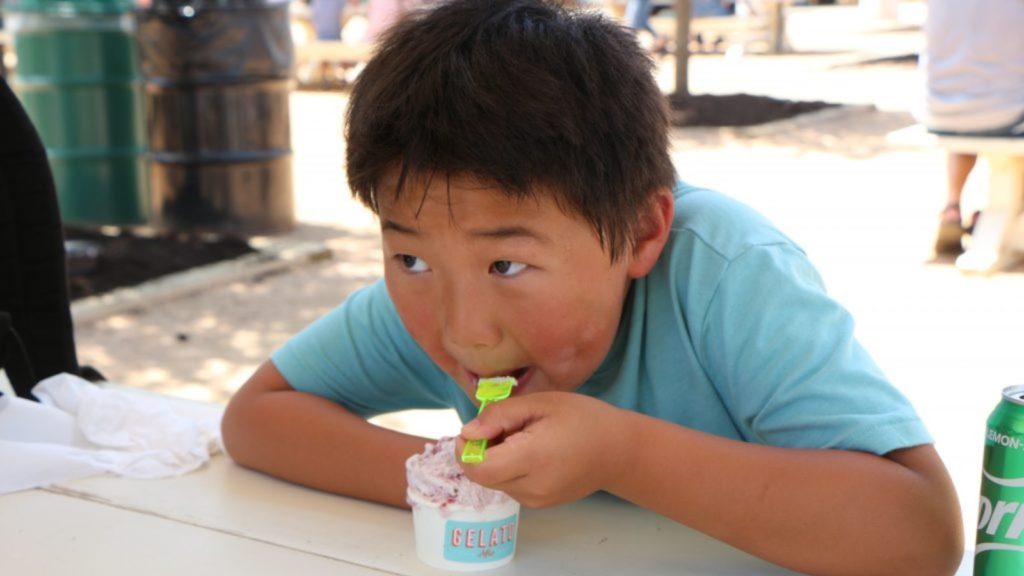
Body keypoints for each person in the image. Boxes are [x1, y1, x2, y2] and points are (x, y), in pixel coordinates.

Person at [221, 1, 963, 574]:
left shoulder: (726, 275)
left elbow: (919, 532)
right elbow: (258, 417)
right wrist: (456, 484)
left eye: (507, 265)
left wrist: (622, 455)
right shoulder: (436, 297)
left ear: (641, 233)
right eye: (408, 258)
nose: (463, 334)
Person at [917, 0, 1024, 255]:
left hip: (940, 107)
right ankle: (1007, 215)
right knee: (997, 100)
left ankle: (952, 206)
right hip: (1007, 112)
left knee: (972, 106)